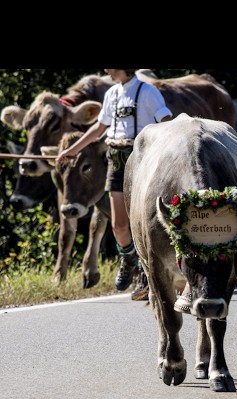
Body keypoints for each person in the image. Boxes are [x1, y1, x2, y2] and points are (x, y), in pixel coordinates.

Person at [55, 69, 172, 301]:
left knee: (143, 222)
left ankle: (145, 273)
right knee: (119, 224)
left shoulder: (148, 91)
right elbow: (99, 128)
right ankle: (128, 259)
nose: (106, 70)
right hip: (116, 157)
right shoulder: (111, 94)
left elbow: (166, 121)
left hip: (141, 156)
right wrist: (71, 151)